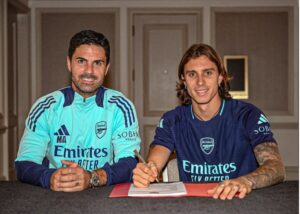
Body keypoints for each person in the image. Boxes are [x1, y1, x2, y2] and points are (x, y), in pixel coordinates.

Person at [132, 43, 285, 200]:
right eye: (192, 74)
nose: (200, 82)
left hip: (241, 202)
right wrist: (147, 172)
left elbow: (276, 167)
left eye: (208, 73)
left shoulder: (248, 115)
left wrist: (246, 181)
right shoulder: (172, 120)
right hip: (193, 206)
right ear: (184, 81)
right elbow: (154, 163)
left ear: (220, 77)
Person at [15, 30, 141, 192]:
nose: (89, 71)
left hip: (103, 194)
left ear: (107, 68)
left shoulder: (121, 107)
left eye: (97, 63)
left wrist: (92, 177)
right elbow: (24, 164)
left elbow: (130, 162)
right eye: (81, 61)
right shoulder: (46, 107)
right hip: (53, 194)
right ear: (69, 63)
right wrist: (50, 177)